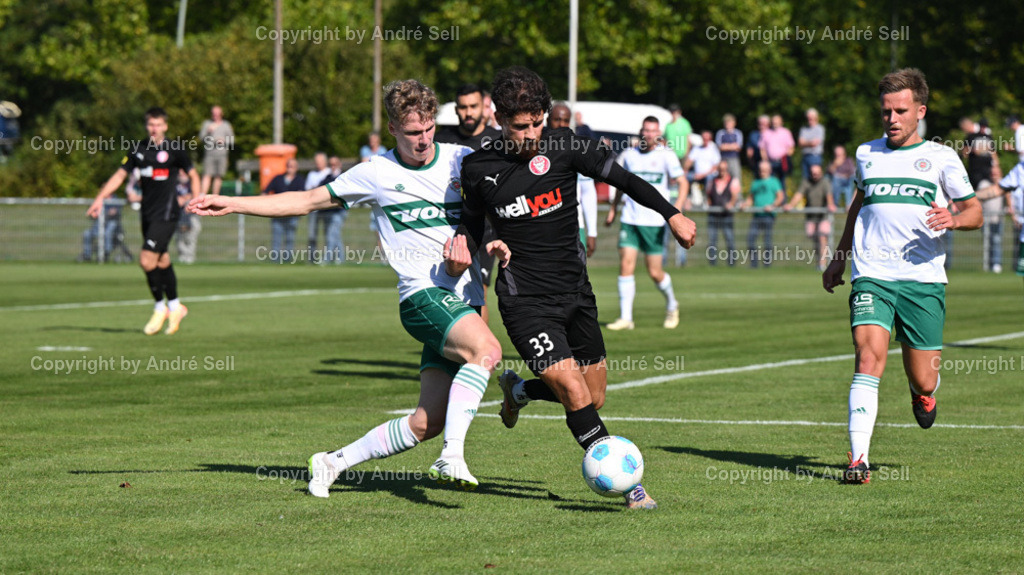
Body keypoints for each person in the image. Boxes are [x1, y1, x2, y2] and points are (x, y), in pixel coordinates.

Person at [188, 78, 510, 497]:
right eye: (413, 132)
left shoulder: (460, 159)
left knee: (426, 421)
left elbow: (500, 200)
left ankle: (332, 462)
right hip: (422, 298)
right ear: (393, 129)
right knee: (487, 351)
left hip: (463, 299)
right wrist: (234, 203)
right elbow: (304, 201)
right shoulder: (376, 173)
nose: (424, 140)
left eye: (429, 128)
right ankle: (453, 455)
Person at [456, 66, 697, 509]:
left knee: (595, 394)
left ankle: (520, 391)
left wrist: (672, 213)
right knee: (574, 392)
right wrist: (474, 242)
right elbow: (469, 226)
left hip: (576, 294)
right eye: (519, 126)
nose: (530, 134)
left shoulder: (565, 145)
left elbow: (625, 180)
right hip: (524, 299)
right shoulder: (477, 166)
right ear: (498, 119)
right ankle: (630, 487)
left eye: (536, 123)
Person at [822, 68, 982, 484]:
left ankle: (921, 394)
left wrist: (955, 218)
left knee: (924, 376)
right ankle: (859, 459)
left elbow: (975, 211)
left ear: (920, 112)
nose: (891, 118)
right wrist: (839, 257)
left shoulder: (942, 158)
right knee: (868, 356)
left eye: (900, 110)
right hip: (872, 274)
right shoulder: (866, 153)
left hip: (923, 280)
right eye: (885, 111)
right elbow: (858, 205)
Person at [88, 107, 199, 335]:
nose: (154, 129)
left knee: (146, 261)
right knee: (161, 260)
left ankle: (161, 308)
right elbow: (120, 175)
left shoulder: (175, 149)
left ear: (165, 126)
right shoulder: (138, 150)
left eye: (158, 124)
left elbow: (194, 175)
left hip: (168, 213)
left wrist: (196, 201)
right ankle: (176, 306)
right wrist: (100, 199)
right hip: (147, 214)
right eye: (150, 124)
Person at [604, 116, 687, 330]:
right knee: (626, 265)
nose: (648, 134)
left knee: (654, 272)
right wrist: (613, 209)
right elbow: (619, 184)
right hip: (630, 219)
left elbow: (683, 182)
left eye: (653, 130)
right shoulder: (629, 155)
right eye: (645, 130)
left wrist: (675, 211)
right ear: (641, 131)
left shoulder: (666, 156)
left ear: (658, 133)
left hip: (654, 222)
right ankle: (626, 318)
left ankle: (671, 304)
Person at [436, 83, 505, 319]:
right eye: (463, 107)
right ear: (456, 109)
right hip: (447, 227)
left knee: (478, 291)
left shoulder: (499, 141)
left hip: (485, 229)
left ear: (484, 108)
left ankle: (481, 353)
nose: (468, 113)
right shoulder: (441, 140)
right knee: (446, 292)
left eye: (473, 106)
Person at [547, 102, 599, 257]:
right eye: (557, 120)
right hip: (543, 226)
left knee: (576, 276)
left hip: (574, 226)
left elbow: (588, 193)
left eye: (565, 121)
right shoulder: (535, 149)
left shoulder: (578, 152)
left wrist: (592, 232)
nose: (561, 125)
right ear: (548, 121)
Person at [784, 163, 836, 271]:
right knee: (814, 238)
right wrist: (790, 205)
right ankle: (818, 262)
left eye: (817, 173)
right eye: (813, 173)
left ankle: (822, 264)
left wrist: (830, 204)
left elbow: (829, 196)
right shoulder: (806, 182)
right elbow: (799, 194)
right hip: (811, 216)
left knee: (822, 238)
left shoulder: (825, 182)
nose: (815, 175)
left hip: (823, 216)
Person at [742, 161, 785, 268]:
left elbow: (780, 197)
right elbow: (751, 198)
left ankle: (767, 265)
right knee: (750, 239)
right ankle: (754, 264)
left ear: (769, 170)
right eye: (761, 170)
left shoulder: (774, 181)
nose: (762, 172)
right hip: (757, 215)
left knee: (767, 241)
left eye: (764, 170)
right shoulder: (755, 182)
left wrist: (772, 206)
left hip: (768, 216)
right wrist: (745, 204)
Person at [262, 158, 305, 262]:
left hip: (292, 215)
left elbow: (302, 196)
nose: (290, 168)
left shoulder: (299, 180)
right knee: (276, 238)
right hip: (277, 214)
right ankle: (275, 260)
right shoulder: (278, 178)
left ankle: (288, 260)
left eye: (293, 166)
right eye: (289, 166)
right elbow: (265, 192)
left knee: (290, 238)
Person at [705, 159, 741, 266]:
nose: (722, 171)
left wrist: (730, 204)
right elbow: (708, 196)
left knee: (730, 239)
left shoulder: (733, 181)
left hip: (726, 215)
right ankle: (712, 264)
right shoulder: (712, 181)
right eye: (720, 169)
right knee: (712, 241)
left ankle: (731, 263)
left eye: (724, 169)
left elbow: (735, 196)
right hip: (713, 215)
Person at [304, 152, 333, 261]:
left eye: (320, 161)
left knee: (329, 235)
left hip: (327, 210)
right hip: (314, 210)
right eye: (316, 161)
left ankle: (330, 259)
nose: (318, 163)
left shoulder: (329, 173)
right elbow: (308, 189)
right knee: (312, 235)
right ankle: (312, 258)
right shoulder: (312, 174)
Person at [198, 106, 234, 195]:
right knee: (207, 175)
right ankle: (202, 196)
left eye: (217, 114)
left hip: (222, 155)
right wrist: (208, 131)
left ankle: (215, 197)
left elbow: (232, 139)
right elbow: (201, 138)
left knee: (219, 176)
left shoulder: (226, 125)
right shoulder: (207, 124)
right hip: (209, 154)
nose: (215, 116)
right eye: (214, 114)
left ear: (221, 114)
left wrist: (224, 141)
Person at [761, 114, 795, 192]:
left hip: (782, 161)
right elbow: (762, 149)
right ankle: (770, 201)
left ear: (781, 122)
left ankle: (783, 202)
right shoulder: (766, 133)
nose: (775, 124)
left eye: (777, 122)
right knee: (769, 182)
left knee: (782, 182)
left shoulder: (786, 132)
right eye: (773, 122)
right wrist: (765, 161)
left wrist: (786, 157)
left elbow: (791, 148)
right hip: (770, 161)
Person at [175, 170, 201, 264]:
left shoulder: (193, 182)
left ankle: (190, 256)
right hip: (178, 215)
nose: (181, 174)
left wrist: (185, 199)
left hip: (191, 215)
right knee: (179, 237)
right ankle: (182, 256)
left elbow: (197, 194)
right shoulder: (174, 183)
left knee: (191, 237)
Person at [798, 108, 826, 179]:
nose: (809, 120)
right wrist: (809, 143)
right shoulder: (803, 129)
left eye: (811, 118)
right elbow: (800, 143)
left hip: (815, 156)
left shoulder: (820, 129)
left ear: (816, 118)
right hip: (805, 156)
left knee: (815, 178)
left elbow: (815, 143)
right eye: (808, 118)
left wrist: (805, 143)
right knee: (805, 178)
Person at [715, 113, 744, 182]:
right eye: (726, 122)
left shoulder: (738, 133)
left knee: (736, 178)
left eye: (730, 122)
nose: (728, 124)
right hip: (723, 159)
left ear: (734, 123)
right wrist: (732, 146)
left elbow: (738, 147)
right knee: (723, 178)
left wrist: (726, 146)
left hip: (734, 159)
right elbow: (719, 147)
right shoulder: (720, 133)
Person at [828, 144, 856, 209]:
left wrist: (844, 175)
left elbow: (852, 172)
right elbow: (829, 173)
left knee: (849, 185)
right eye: (837, 155)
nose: (838, 156)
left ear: (844, 154)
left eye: (839, 154)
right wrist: (835, 165)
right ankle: (835, 204)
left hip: (848, 180)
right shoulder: (833, 162)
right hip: (836, 181)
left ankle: (849, 204)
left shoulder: (849, 161)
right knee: (836, 180)